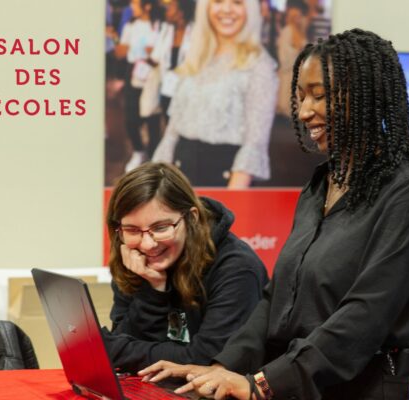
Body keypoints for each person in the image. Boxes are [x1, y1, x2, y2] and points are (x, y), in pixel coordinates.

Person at [139, 29, 409, 400]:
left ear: (366, 95)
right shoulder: (318, 185)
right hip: (293, 386)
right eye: (300, 97)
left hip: (361, 388)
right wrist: (221, 368)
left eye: (319, 95)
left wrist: (262, 383)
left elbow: (364, 317)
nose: (305, 111)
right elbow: (275, 299)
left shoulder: (406, 193)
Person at [103, 162, 269, 372]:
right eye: (133, 230)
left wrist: (118, 351)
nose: (148, 244)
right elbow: (122, 344)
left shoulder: (236, 267)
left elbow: (207, 361)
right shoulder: (133, 257)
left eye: (161, 228)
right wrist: (153, 290)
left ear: (192, 217)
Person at [151, 0, 278, 188]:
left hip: (224, 179)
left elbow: (254, 144)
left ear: (249, 9)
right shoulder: (196, 57)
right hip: (179, 178)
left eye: (237, 2)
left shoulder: (260, 66)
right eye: (218, 1)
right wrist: (157, 184)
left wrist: (232, 204)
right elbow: (173, 130)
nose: (226, 9)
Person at [114, 0, 162, 172]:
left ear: (147, 6)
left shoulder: (158, 25)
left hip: (152, 74)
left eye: (135, 4)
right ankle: (138, 151)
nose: (131, 8)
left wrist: (153, 52)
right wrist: (116, 40)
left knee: (152, 117)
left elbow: (161, 52)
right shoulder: (130, 26)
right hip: (133, 72)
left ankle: (154, 156)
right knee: (131, 117)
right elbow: (121, 53)